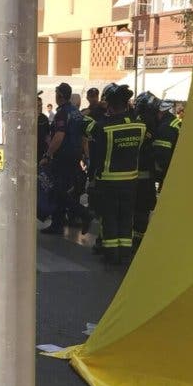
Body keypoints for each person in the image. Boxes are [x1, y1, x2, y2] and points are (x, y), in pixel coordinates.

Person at [88, 84, 144, 265]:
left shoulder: (104, 128)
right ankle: (125, 253)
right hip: (131, 181)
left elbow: (89, 134)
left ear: (110, 106)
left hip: (109, 182)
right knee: (127, 218)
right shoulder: (140, 127)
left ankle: (111, 254)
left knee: (110, 218)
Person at [40, 82, 91, 235]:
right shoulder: (76, 112)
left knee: (57, 190)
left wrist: (47, 155)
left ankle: (83, 213)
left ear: (60, 95)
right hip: (75, 155)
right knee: (62, 190)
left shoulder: (62, 113)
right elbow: (83, 137)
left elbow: (59, 136)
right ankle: (57, 224)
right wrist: (85, 155)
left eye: (56, 93)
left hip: (63, 156)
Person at [131, 92, 161, 247]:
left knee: (139, 208)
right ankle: (139, 237)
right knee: (142, 208)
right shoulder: (151, 121)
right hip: (145, 175)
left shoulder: (142, 120)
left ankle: (137, 237)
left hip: (138, 174)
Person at [152, 99, 181, 189]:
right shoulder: (173, 121)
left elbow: (162, 154)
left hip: (168, 171)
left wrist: (160, 176)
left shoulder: (165, 127)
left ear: (161, 112)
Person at [36, 96, 50, 161]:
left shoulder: (44, 119)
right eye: (38, 106)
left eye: (41, 105)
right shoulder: (28, 118)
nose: (40, 107)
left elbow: (47, 136)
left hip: (42, 150)